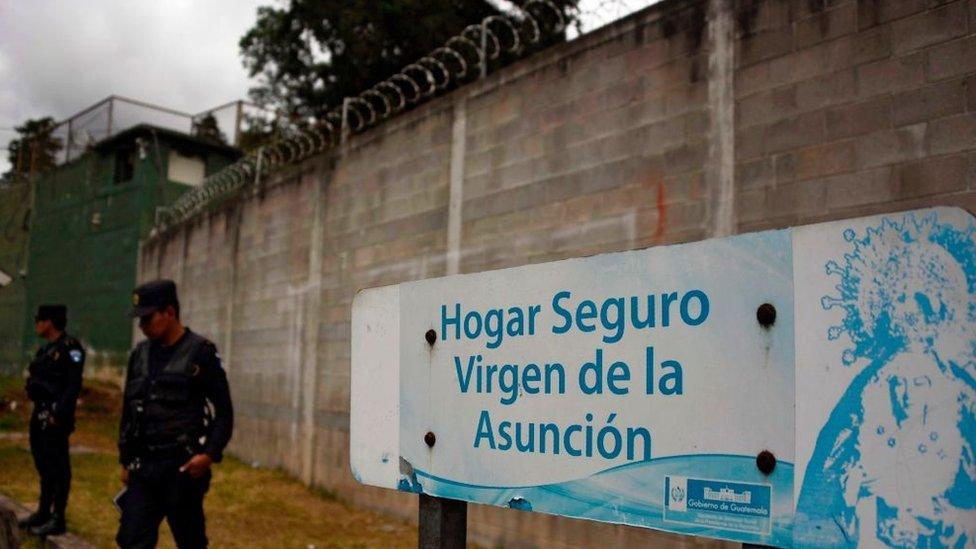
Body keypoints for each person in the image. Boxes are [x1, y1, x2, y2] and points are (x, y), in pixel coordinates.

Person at [116, 280, 233, 549]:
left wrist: (209, 455)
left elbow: (224, 411)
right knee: (131, 539)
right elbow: (128, 410)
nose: (142, 326)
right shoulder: (139, 356)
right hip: (144, 466)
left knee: (190, 540)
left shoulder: (200, 353)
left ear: (169, 312)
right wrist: (125, 458)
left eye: (147, 318)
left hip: (181, 467)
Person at [19, 304, 85, 536]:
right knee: (43, 464)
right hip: (40, 413)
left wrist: (60, 414)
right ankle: (44, 510)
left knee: (58, 465)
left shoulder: (71, 348)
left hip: (57, 416)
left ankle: (58, 516)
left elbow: (73, 385)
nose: (36, 323)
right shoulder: (45, 351)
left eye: (39, 319)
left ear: (50, 322)